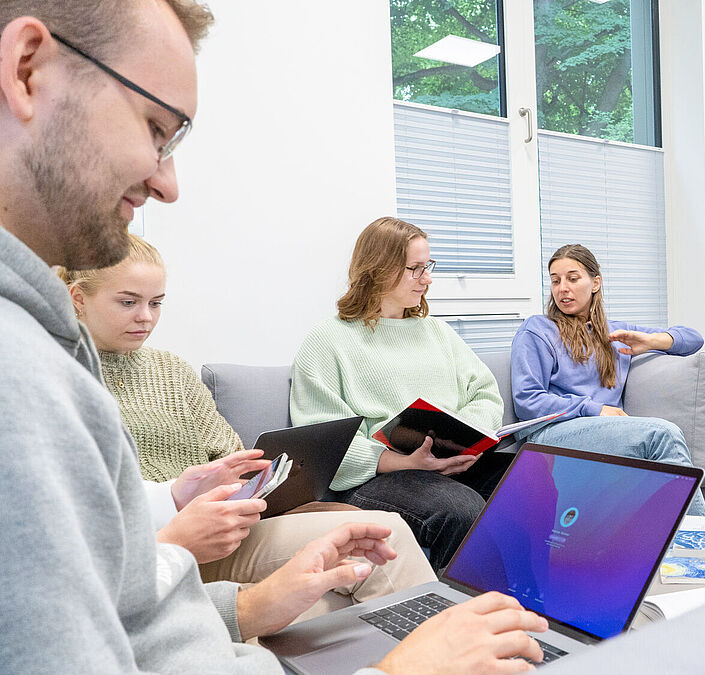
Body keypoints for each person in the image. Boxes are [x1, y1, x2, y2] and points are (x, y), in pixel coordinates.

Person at [0, 3, 547, 671]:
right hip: (379, 483)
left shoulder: (48, 347)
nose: (168, 183)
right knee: (441, 514)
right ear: (26, 69)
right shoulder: (23, 372)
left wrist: (245, 600)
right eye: (154, 127)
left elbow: (126, 602)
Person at [64, 233, 437, 610]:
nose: (145, 317)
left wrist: (258, 485)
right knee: (382, 537)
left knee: (374, 534)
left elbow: (230, 453)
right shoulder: (60, 377)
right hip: (161, 543)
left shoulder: (171, 369)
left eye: (156, 303)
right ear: (78, 299)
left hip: (230, 524)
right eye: (128, 302)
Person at [291, 217, 512, 570]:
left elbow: (485, 393)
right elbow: (323, 442)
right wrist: (405, 462)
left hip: (449, 461)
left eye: (428, 266)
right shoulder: (328, 340)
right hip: (380, 476)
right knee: (460, 511)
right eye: (415, 269)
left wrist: (462, 440)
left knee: (534, 483)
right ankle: (460, 603)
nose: (427, 279)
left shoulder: (437, 332)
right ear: (378, 269)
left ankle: (542, 596)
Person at [510, 243, 705, 516]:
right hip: (550, 434)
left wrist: (652, 341)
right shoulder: (538, 329)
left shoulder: (615, 333)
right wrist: (594, 409)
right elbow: (527, 401)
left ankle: (675, 539)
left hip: (604, 433)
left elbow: (693, 339)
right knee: (662, 435)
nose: (562, 288)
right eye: (555, 281)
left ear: (595, 283)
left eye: (572, 278)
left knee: (657, 463)